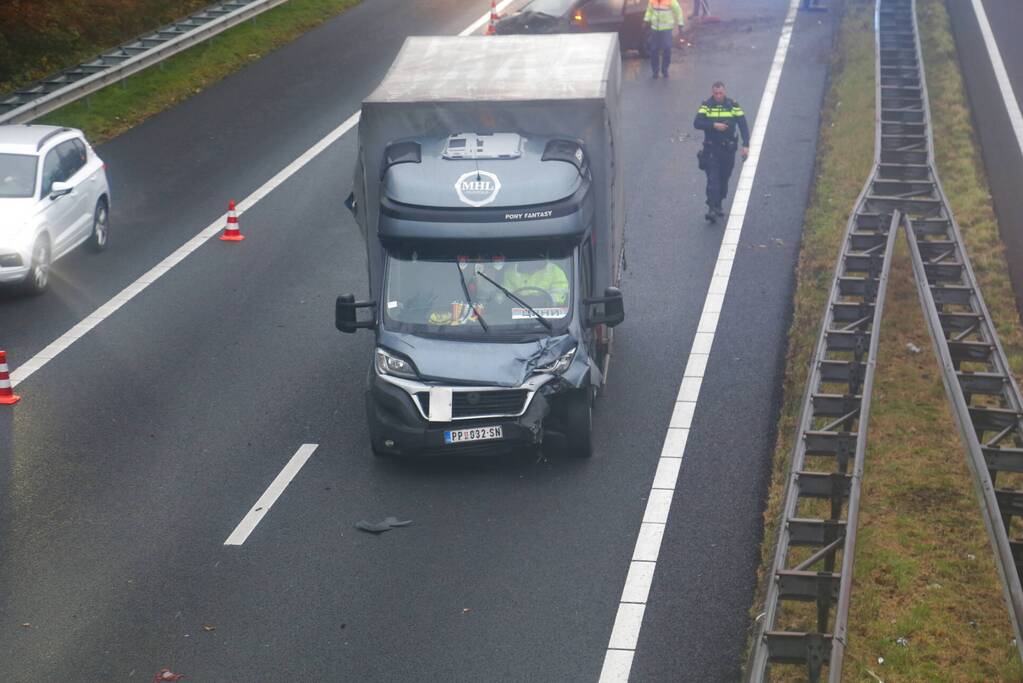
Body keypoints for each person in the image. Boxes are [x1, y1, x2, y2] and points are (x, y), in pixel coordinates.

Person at [693, 81, 750, 222]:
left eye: (720, 93)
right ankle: (711, 208)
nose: (718, 96)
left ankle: (718, 204)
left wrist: (746, 145)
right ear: (712, 93)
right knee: (713, 179)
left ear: (725, 92)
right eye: (715, 93)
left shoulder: (733, 106)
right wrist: (714, 125)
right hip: (711, 149)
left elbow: (743, 125)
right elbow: (697, 123)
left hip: (727, 150)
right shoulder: (706, 106)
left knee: (724, 178)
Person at [503, 257, 569, 307]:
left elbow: (560, 292)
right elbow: (504, 294)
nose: (531, 263)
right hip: (518, 311)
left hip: (547, 315)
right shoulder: (510, 273)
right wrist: (516, 300)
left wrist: (545, 300)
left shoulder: (554, 270)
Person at [643, 0, 684, 79]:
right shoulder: (652, 1)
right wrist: (646, 20)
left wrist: (680, 24)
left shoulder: (671, 1)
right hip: (655, 29)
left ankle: (664, 69)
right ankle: (655, 71)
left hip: (666, 29)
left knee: (667, 49)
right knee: (653, 50)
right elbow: (649, 11)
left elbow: (678, 12)